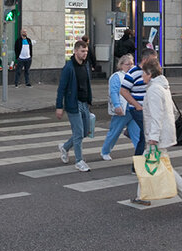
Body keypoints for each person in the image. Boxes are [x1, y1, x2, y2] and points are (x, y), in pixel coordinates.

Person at [140, 57, 182, 212]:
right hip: (163, 133)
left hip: (158, 136)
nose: (141, 76)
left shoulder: (154, 90)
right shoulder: (163, 86)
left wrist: (153, 137)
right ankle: (142, 196)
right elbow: (171, 110)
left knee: (162, 166)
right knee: (150, 163)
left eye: (143, 73)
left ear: (150, 73)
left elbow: (156, 116)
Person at [55, 40, 94, 172]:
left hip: (84, 103)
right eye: (82, 51)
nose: (85, 54)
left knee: (85, 131)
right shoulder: (69, 67)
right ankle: (79, 161)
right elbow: (61, 88)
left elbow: (87, 84)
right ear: (75, 51)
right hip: (73, 104)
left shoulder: (85, 65)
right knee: (78, 133)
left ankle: (65, 147)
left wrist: (89, 101)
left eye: (86, 51)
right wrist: (59, 106)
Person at [100, 54, 140, 160]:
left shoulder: (134, 75)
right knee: (115, 132)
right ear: (121, 65)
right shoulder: (116, 76)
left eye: (132, 64)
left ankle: (140, 152)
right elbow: (114, 92)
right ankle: (105, 151)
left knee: (137, 133)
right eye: (127, 64)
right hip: (122, 109)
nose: (130, 66)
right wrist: (117, 105)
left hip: (133, 109)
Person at [119, 48, 158, 156]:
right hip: (139, 109)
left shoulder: (152, 72)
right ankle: (145, 160)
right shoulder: (134, 72)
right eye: (153, 60)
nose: (155, 63)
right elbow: (123, 90)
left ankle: (138, 162)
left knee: (143, 136)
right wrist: (136, 105)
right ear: (145, 60)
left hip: (149, 108)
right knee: (148, 132)